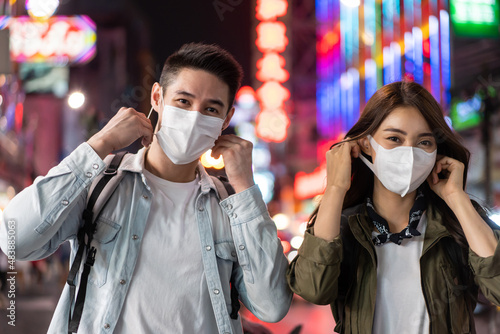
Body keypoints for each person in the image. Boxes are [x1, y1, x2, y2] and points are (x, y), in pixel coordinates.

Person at [0, 43, 292, 333]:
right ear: (157, 97)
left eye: (211, 109)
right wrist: (97, 145)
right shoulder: (103, 185)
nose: (194, 117)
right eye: (183, 101)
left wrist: (245, 189)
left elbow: (272, 305)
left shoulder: (230, 206)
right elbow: (14, 239)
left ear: (226, 119)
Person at [287, 81, 500, 333]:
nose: (408, 154)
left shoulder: (457, 223)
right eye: (394, 138)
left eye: (424, 142)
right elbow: (312, 290)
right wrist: (335, 188)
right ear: (366, 144)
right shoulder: (343, 227)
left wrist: (456, 197)